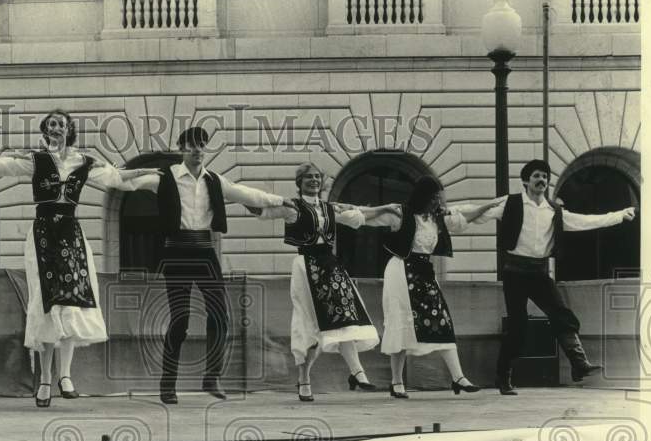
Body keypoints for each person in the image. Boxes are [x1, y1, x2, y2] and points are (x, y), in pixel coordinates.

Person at [0, 109, 158, 407]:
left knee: (70, 304)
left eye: (61, 124)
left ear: (70, 129)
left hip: (71, 234)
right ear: (45, 131)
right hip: (43, 235)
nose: (56, 128)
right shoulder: (34, 160)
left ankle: (65, 376)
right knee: (45, 305)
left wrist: (149, 176)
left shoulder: (84, 162)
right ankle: (45, 379)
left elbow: (118, 178)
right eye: (51, 124)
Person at [130, 126, 296, 404]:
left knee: (220, 316)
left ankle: (211, 376)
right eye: (191, 145)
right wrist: (98, 170)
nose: (197, 150)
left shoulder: (215, 180)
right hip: (177, 252)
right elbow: (128, 182)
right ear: (182, 148)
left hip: (205, 252)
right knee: (180, 321)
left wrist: (281, 201)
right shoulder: (165, 177)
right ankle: (167, 383)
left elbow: (248, 195)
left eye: (202, 145)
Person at [477, 159, 637, 395]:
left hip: (540, 272)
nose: (541, 180)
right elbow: (478, 213)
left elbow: (586, 221)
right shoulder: (510, 204)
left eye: (544, 176)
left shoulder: (554, 211)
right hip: (515, 272)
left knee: (562, 314)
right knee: (518, 326)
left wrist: (619, 215)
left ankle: (579, 364)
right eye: (536, 176)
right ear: (525, 181)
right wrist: (448, 215)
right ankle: (503, 376)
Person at [257, 163, 402, 401]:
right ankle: (304, 379)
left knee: (344, 318)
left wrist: (385, 207)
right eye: (308, 177)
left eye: (317, 176)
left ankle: (358, 373)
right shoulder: (292, 206)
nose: (314, 180)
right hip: (306, 267)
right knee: (311, 326)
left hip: (331, 267)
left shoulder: (329, 208)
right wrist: (242, 199)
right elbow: (263, 210)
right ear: (300, 182)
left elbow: (360, 215)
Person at [371, 176, 506, 398]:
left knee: (442, 319)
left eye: (439, 198)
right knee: (401, 321)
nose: (438, 202)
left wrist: (488, 205)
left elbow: (465, 218)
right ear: (424, 197)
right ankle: (396, 382)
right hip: (401, 272)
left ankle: (458, 377)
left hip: (424, 272)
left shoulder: (437, 218)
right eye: (434, 198)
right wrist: (378, 207)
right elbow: (369, 217)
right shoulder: (402, 215)